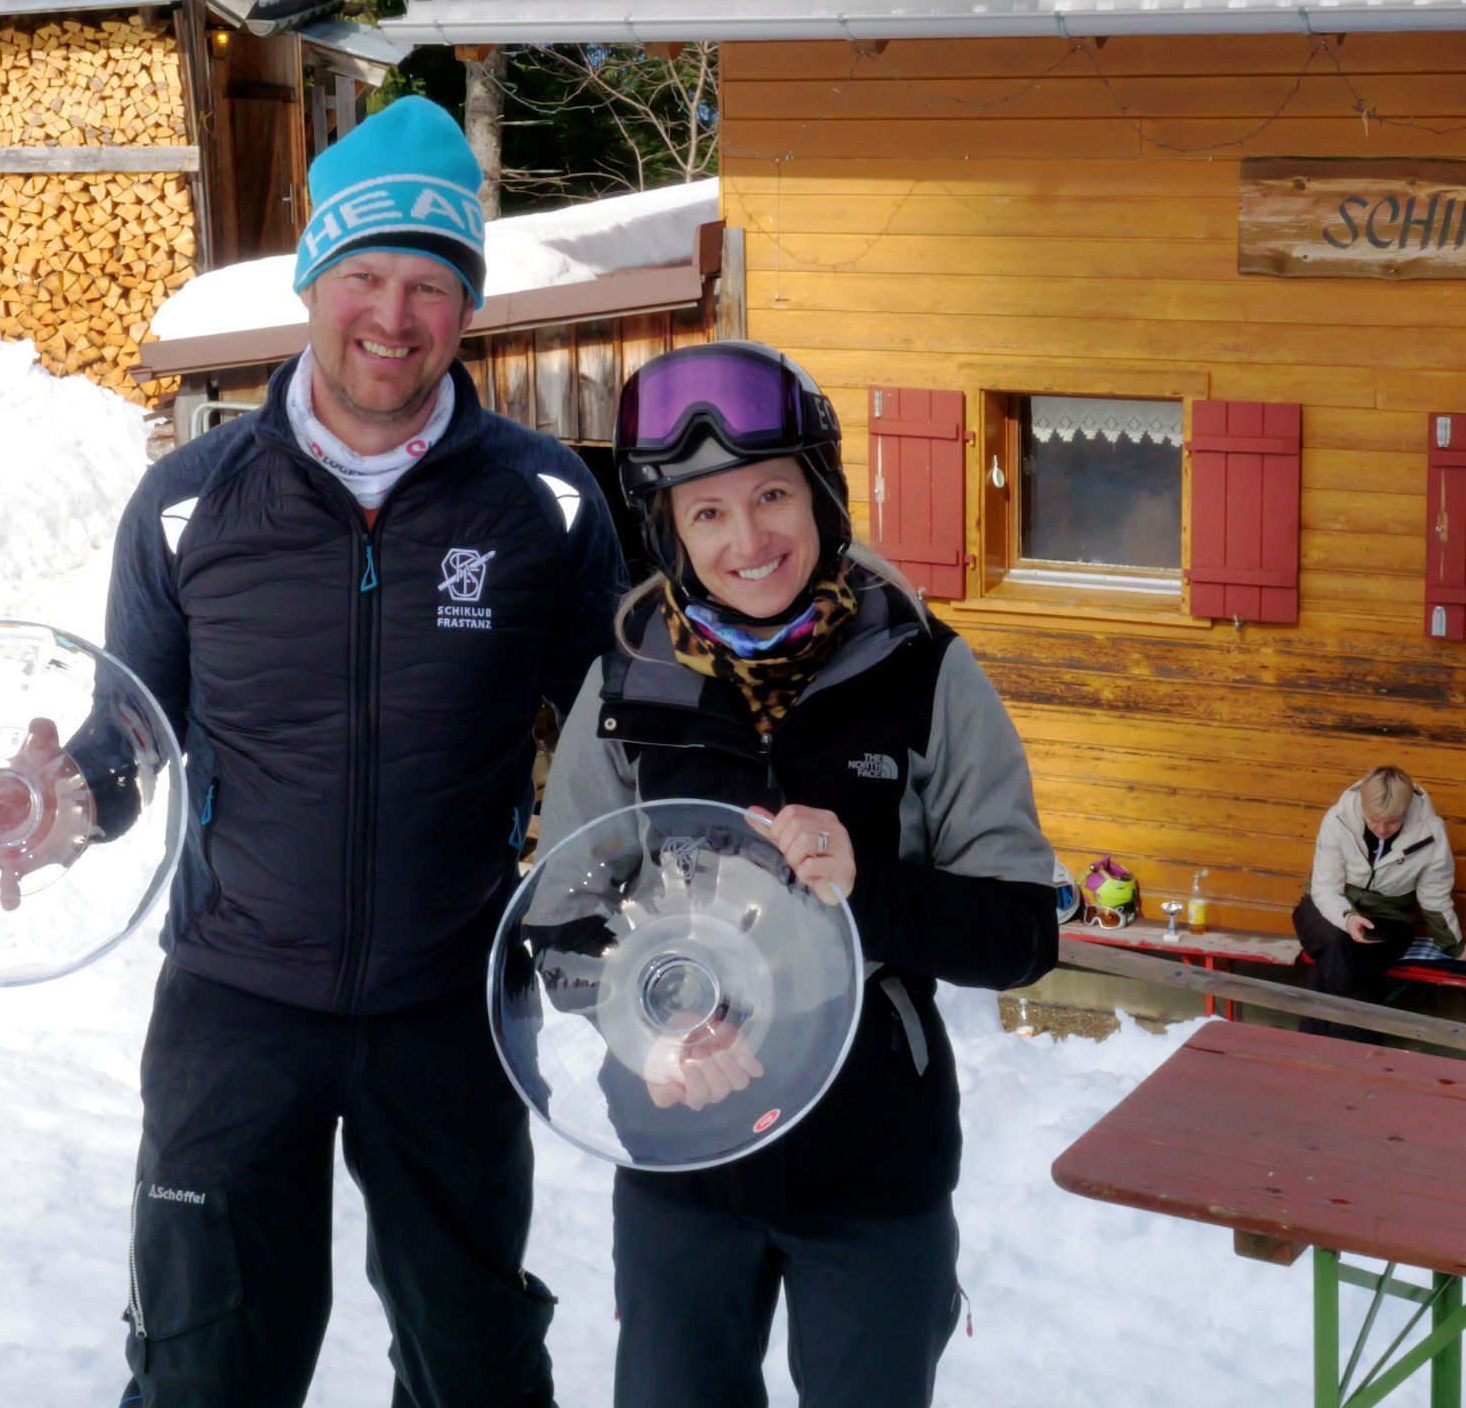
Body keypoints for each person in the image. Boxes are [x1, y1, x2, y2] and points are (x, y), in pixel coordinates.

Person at [102, 97, 625, 1408]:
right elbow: (130, 725)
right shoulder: (186, 502)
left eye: (431, 286)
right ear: (313, 280)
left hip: (450, 1006)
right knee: (203, 1366)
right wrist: (57, 790)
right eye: (368, 275)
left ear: (467, 309)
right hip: (234, 1008)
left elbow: (623, 758)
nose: (394, 317)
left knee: (474, 1367)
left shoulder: (550, 503)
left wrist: (628, 937)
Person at [535, 340, 1059, 1408]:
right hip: (681, 1162)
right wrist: (656, 1021)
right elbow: (560, 929)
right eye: (707, 513)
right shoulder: (625, 686)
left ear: (820, 493)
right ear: (670, 534)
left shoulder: (922, 672)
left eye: (770, 494)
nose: (747, 539)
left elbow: (1019, 935)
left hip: (873, 1171)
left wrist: (869, 886)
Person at [1294, 766, 1461, 1042]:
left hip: (1388, 919)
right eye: (1374, 820)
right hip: (1322, 908)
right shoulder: (1338, 819)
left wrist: (1454, 947)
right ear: (1361, 806)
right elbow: (1325, 888)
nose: (1382, 830)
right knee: (1338, 942)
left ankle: (1311, 1046)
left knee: (1337, 960)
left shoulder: (1430, 832)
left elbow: (1435, 896)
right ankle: (1358, 1054)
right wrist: (1348, 919)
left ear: (1407, 811)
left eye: (1393, 822)